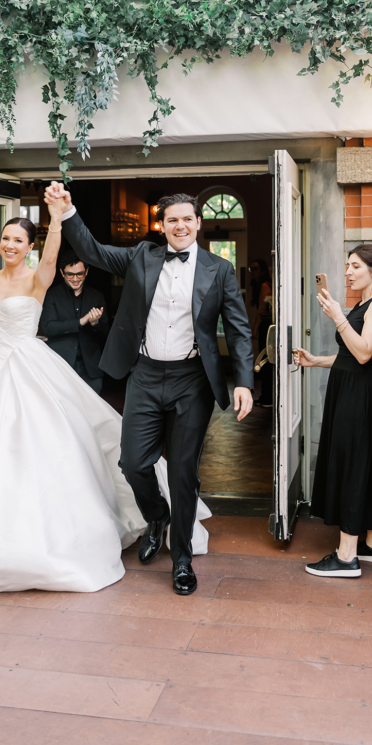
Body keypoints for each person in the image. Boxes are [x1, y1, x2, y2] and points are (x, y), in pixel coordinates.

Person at [0, 209, 210, 600]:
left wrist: (56, 216)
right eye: (5, 239)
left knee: (44, 446)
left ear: (29, 247)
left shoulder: (38, 278)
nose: (10, 245)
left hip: (28, 366)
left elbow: (52, 257)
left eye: (18, 240)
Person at [45, 182, 254, 596]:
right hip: (144, 374)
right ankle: (155, 516)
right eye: (172, 219)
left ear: (198, 223)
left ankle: (181, 560)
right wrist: (68, 212)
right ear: (163, 225)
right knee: (134, 463)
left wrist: (245, 381)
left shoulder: (219, 269)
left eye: (187, 219)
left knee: (182, 473)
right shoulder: (142, 256)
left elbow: (239, 329)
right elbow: (92, 251)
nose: (180, 226)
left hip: (191, 381)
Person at [294, 244, 372, 578]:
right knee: (366, 464)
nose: (348, 272)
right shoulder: (362, 304)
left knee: (354, 464)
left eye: (355, 266)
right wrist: (315, 360)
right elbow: (349, 357)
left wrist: (338, 317)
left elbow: (365, 354)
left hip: (360, 397)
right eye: (347, 266)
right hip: (349, 390)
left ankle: (347, 555)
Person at [40, 250, 109, 393]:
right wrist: (81, 321)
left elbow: (106, 335)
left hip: (91, 369)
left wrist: (95, 323)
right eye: (70, 274)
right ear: (62, 272)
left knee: (93, 412)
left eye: (80, 274)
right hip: (60, 365)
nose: (75, 278)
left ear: (87, 272)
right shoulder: (51, 295)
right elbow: (48, 328)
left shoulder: (96, 296)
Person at [249, 259, 272, 407]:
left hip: (265, 325)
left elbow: (261, 310)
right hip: (263, 325)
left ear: (263, 271)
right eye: (251, 269)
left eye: (256, 269)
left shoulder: (265, 286)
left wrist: (255, 327)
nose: (253, 272)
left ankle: (268, 397)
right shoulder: (259, 286)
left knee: (265, 360)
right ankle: (265, 396)